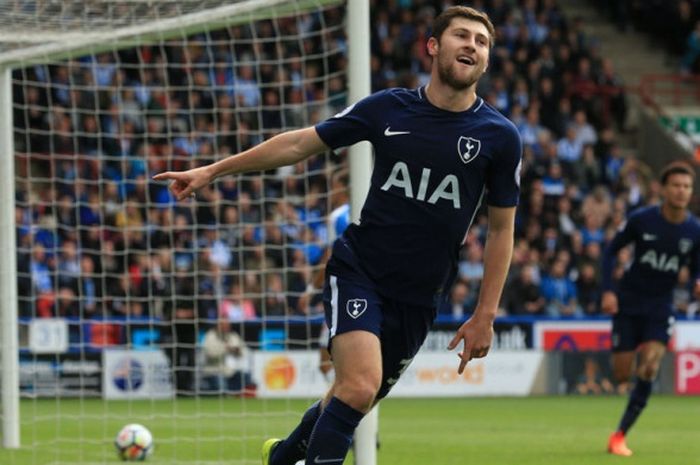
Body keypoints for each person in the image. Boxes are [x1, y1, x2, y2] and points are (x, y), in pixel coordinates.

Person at [154, 6, 521, 464]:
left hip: (421, 295)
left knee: (351, 398)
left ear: (486, 60)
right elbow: (298, 143)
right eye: (461, 36)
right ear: (433, 46)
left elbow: (502, 229)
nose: (471, 45)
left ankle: (283, 457)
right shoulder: (388, 108)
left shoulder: (500, 137)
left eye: (481, 42)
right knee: (359, 385)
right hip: (361, 270)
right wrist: (213, 170)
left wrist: (485, 313)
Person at [602, 161, 700, 456]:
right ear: (663, 189)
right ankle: (626, 388)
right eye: (676, 185)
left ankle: (619, 435)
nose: (682, 191)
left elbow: (696, 267)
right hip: (629, 302)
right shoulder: (642, 220)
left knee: (650, 365)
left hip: (662, 304)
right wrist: (608, 291)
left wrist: (697, 280)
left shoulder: (694, 230)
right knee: (622, 374)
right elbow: (610, 252)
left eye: (687, 186)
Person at [201, 316, 256, 396]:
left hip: (231, 371)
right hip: (214, 371)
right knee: (222, 387)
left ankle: (238, 397)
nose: (226, 327)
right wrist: (225, 349)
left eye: (228, 325)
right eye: (223, 325)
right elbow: (210, 353)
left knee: (246, 377)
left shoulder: (233, 336)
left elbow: (245, 351)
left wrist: (238, 351)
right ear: (218, 325)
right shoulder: (210, 336)